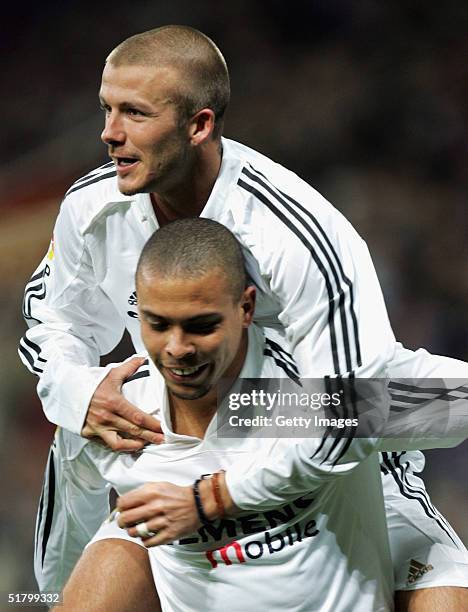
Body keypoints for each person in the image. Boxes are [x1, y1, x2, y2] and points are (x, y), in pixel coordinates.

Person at [20, 25, 467, 607]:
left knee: (430, 411)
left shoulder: (298, 235)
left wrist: (226, 470)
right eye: (106, 109)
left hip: (325, 450)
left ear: (199, 125)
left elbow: (356, 406)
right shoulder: (92, 208)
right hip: (185, 444)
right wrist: (79, 391)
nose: (109, 134)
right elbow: (53, 325)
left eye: (134, 113)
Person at [53, 219, 468, 611]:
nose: (177, 348)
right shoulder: (113, 411)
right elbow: (67, 522)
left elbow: (457, 400)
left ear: (246, 308)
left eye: (201, 326)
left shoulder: (297, 394)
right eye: (158, 325)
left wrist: (212, 499)